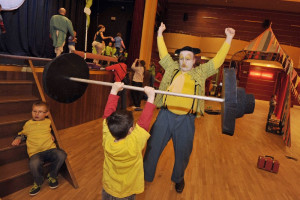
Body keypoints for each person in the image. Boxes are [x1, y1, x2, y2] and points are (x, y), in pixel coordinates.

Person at [143, 22, 235, 193]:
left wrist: (228, 39)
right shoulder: (172, 68)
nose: (184, 62)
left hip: (186, 119)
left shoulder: (200, 72)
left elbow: (217, 61)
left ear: (194, 60)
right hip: (165, 116)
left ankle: (178, 178)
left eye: (188, 58)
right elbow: (163, 53)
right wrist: (159, 34)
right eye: (181, 58)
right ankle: (145, 175)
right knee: (152, 147)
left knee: (183, 153)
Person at [102, 82, 156, 200]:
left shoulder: (107, 137)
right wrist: (151, 96)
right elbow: (144, 122)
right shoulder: (134, 142)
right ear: (131, 129)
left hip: (108, 188)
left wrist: (114, 90)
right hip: (126, 192)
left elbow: (108, 115)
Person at [11, 102, 67, 196]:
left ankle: (52, 175)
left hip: (50, 149)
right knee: (34, 163)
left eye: (40, 112)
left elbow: (48, 130)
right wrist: (18, 139)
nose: (36, 114)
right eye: (34, 111)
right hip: (35, 153)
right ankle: (38, 181)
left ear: (47, 113)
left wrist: (51, 134)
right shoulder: (28, 124)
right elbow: (22, 134)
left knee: (62, 154)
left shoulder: (48, 122)